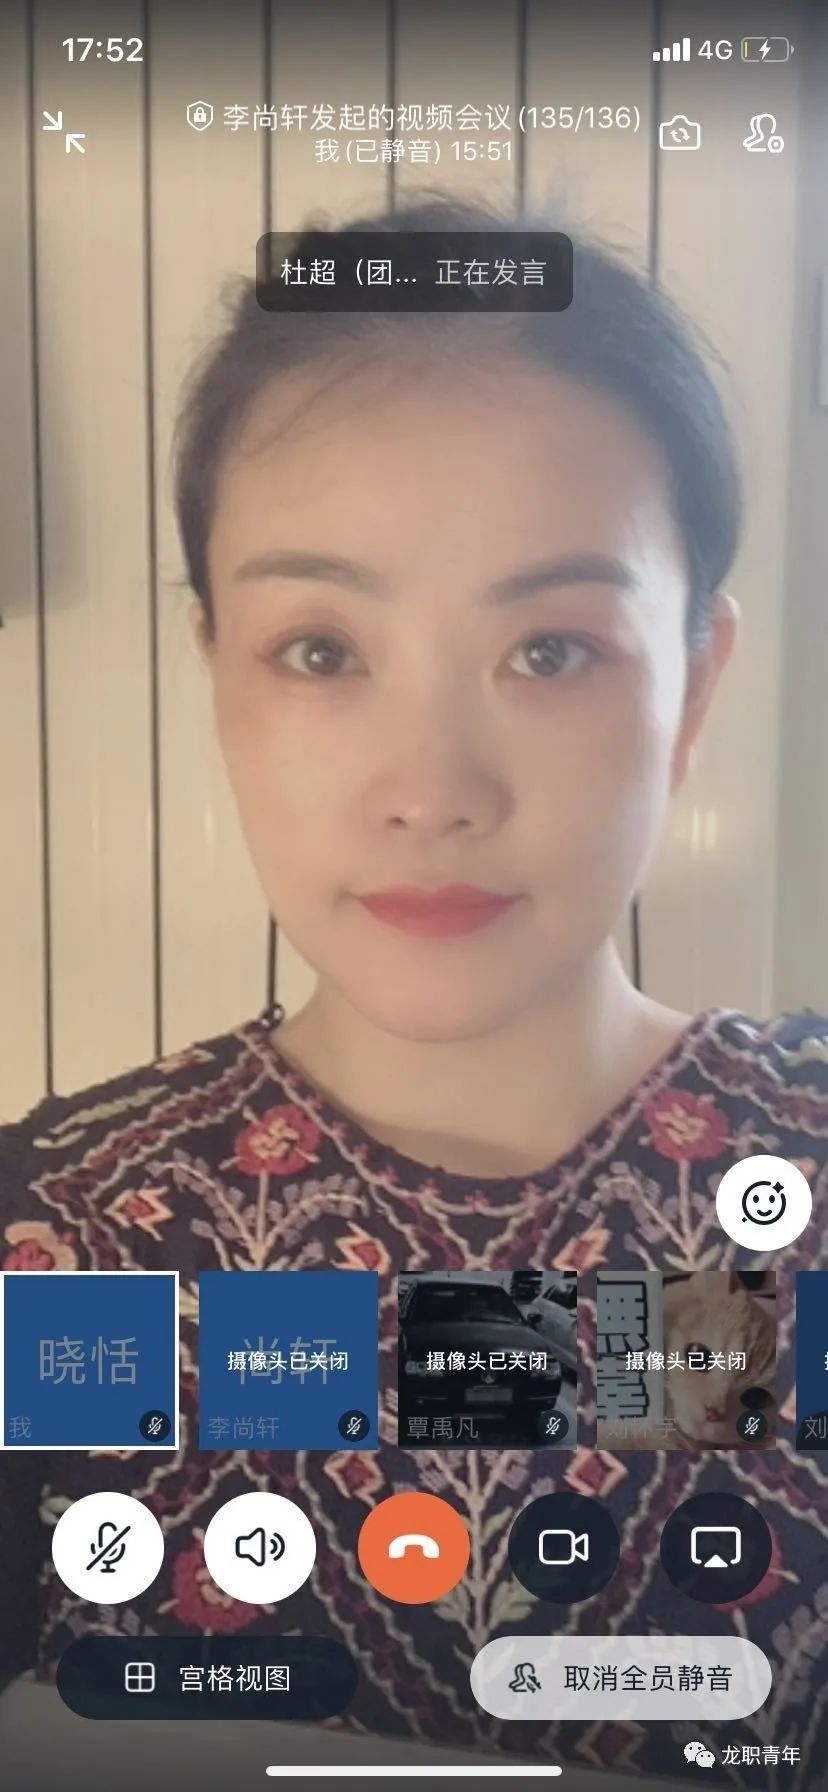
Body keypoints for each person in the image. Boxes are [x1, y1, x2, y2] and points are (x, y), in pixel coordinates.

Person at [1, 194, 826, 1788]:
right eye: (322, 650)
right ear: (219, 671)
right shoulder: (56, 1239)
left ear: (694, 684)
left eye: (551, 650)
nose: (432, 790)